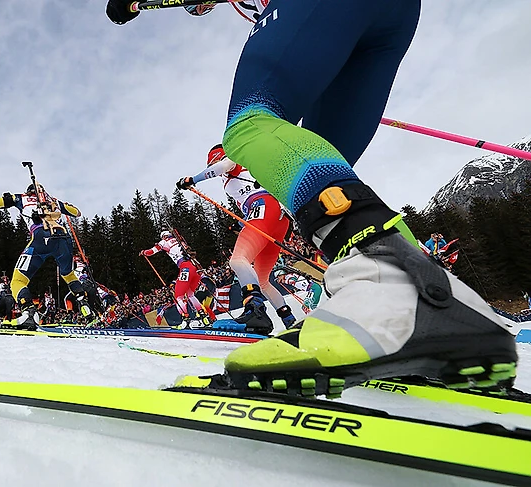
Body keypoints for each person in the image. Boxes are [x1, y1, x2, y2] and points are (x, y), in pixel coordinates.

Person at [105, 0, 516, 395]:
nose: (202, 10)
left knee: (248, 125)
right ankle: (431, 300)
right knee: (324, 164)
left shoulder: (223, 169)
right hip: (389, 16)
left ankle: (393, 292)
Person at [177, 143, 296, 335]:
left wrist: (193, 179)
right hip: (274, 217)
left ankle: (255, 311)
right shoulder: (241, 176)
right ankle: (289, 320)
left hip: (264, 206)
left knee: (238, 260)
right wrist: (240, 224)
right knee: (262, 281)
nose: (215, 169)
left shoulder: (233, 162)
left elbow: (225, 166)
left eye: (212, 164)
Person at [0, 183, 91, 330]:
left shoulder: (21, 198)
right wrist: (65, 205)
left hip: (41, 237)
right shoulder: (53, 201)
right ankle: (86, 308)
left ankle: (29, 312)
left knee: (18, 281)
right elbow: (77, 213)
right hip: (63, 238)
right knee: (68, 274)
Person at [140, 230, 214, 326]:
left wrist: (144, 252)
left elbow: (152, 251)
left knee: (178, 297)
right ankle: (204, 317)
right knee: (190, 294)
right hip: (196, 268)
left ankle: (185, 319)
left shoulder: (164, 242)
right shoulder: (179, 240)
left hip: (185, 268)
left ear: (164, 236)